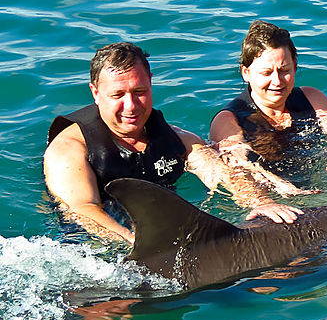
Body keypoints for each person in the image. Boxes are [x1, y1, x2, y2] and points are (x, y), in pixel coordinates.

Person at [45, 42, 302, 244]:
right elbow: (82, 209)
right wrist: (137, 243)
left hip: (157, 224)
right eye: (117, 95)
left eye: (139, 92)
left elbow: (223, 172)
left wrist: (260, 201)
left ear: (151, 83)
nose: (130, 106)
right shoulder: (68, 150)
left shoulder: (177, 139)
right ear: (95, 93)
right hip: (87, 242)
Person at [210, 20, 327, 180]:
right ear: (246, 72)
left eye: (284, 70)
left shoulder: (311, 98)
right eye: (266, 73)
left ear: (295, 66)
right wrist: (279, 188)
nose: (277, 81)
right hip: (274, 193)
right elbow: (238, 172)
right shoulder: (229, 121)